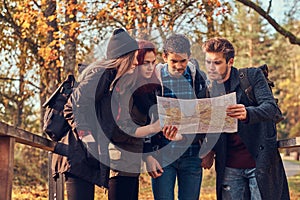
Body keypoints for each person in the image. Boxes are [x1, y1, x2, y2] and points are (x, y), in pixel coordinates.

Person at [51, 28, 163, 200]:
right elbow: (72, 107)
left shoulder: (113, 82)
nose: (136, 62)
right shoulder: (100, 74)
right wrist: (87, 137)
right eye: (134, 57)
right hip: (76, 154)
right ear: (124, 58)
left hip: (90, 157)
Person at [201, 37, 290, 200]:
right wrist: (209, 149)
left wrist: (248, 113)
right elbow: (207, 126)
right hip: (228, 167)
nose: (211, 68)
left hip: (259, 164)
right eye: (208, 62)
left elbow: (271, 108)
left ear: (230, 62)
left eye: (217, 63)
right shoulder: (207, 90)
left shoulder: (251, 76)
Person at [144, 33, 207, 200]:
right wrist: (148, 154)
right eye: (174, 61)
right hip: (163, 156)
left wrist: (209, 148)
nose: (179, 66)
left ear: (189, 57)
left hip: (192, 155)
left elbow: (207, 115)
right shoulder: (153, 79)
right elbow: (144, 118)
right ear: (164, 57)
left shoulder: (198, 78)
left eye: (183, 61)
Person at [107, 39, 161, 200]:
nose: (150, 67)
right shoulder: (124, 87)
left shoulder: (149, 89)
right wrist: (153, 128)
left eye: (153, 62)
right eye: (145, 63)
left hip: (133, 161)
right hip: (118, 161)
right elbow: (120, 128)